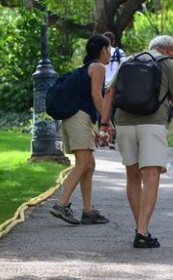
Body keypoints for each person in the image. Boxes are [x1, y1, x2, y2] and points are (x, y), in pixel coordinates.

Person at [101, 35, 173, 248]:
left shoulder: (127, 61)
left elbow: (110, 92)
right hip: (153, 123)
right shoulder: (168, 64)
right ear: (170, 50)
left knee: (132, 175)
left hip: (123, 123)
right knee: (151, 176)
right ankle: (142, 232)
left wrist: (105, 124)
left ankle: (141, 229)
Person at [49, 34, 111, 225]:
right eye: (109, 49)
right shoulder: (98, 67)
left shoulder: (84, 69)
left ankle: (88, 211)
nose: (110, 54)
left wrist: (93, 129)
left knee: (89, 165)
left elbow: (83, 100)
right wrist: (107, 123)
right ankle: (61, 204)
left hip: (73, 119)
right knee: (83, 164)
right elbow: (96, 96)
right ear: (103, 50)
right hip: (78, 118)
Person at [97, 31, 126, 150]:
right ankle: (112, 139)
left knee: (102, 111)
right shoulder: (119, 52)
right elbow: (125, 65)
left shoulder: (99, 52)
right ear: (113, 41)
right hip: (115, 85)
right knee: (113, 113)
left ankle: (101, 137)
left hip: (102, 84)